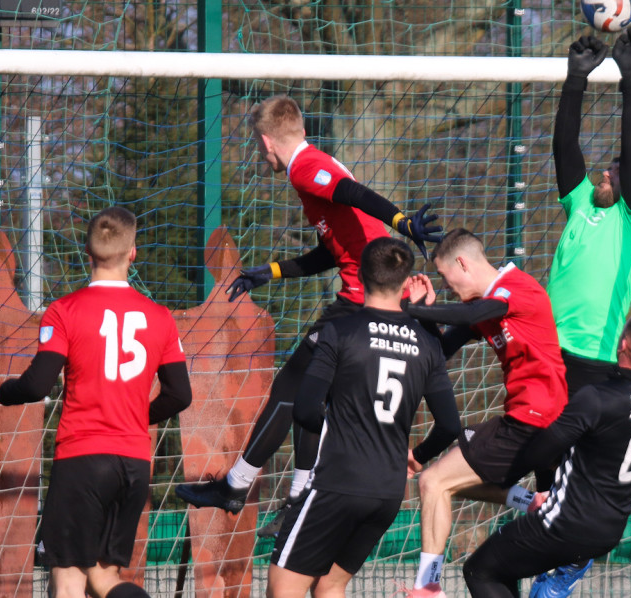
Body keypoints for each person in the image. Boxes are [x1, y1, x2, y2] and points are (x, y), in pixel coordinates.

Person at [176, 95, 442, 531]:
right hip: (368, 294)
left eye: (259, 148)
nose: (262, 156)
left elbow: (353, 193)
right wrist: (272, 271)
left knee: (289, 389)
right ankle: (298, 497)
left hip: (362, 300)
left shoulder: (304, 167)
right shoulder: (316, 162)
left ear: (267, 141)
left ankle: (238, 487)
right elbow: (333, 250)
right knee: (306, 394)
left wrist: (404, 223)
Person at [0, 207, 191, 598]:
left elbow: (36, 385)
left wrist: (5, 391)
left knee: (68, 578)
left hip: (82, 459)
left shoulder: (64, 310)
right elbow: (180, 395)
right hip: (133, 463)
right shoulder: (160, 317)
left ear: (87, 252)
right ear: (132, 252)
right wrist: (138, 417)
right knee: (104, 578)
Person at [533, 25, 631, 597]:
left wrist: (630, 80)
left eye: (615, 171)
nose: (604, 172)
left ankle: (568, 564)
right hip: (544, 349)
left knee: (578, 472)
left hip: (595, 361)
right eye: (600, 170)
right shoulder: (580, 203)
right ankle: (547, 552)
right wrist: (575, 82)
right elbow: (565, 148)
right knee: (539, 462)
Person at [265, 237, 461, 598]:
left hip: (338, 481)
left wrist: (343, 433)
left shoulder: (341, 331)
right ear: (405, 283)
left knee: (283, 589)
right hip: (386, 491)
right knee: (330, 585)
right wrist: (417, 456)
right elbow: (450, 425)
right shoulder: (426, 343)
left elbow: (306, 409)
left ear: (359, 274)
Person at [462, 306, 631, 598]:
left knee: (480, 570)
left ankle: (569, 562)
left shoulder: (597, 398)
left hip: (563, 523)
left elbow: (539, 453)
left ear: (623, 343)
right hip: (611, 527)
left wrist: (487, 451)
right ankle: (572, 564)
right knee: (504, 568)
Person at [401, 229, 568, 598]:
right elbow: (440, 350)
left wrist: (414, 309)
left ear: (462, 263)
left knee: (433, 483)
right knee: (446, 481)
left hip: (534, 417)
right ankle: (533, 502)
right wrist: (425, 315)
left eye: (445, 276)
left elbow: (479, 311)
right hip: (536, 421)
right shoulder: (484, 306)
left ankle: (427, 586)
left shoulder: (516, 287)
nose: (445, 285)